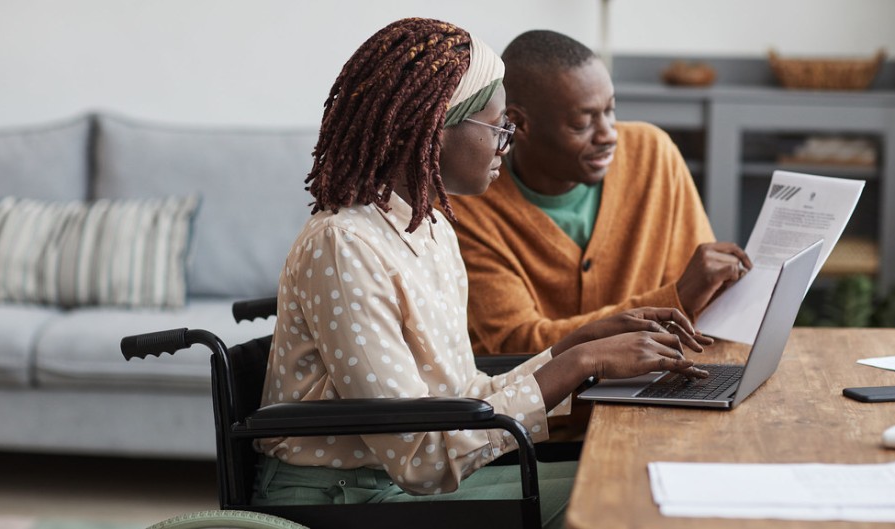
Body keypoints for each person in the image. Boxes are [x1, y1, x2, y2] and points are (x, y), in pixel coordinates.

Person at [252, 18, 709, 529]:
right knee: (622, 499)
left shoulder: (432, 229)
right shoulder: (342, 244)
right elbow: (420, 455)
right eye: (499, 128)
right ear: (433, 129)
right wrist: (579, 364)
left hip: (399, 485)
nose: (506, 145)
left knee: (630, 477)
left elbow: (462, 396)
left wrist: (573, 348)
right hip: (344, 498)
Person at [449, 30, 753, 360]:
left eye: (610, 110)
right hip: (545, 410)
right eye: (582, 124)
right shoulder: (467, 206)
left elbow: (707, 306)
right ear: (520, 124)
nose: (608, 135)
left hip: (660, 386)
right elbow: (515, 346)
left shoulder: (652, 154)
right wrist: (675, 298)